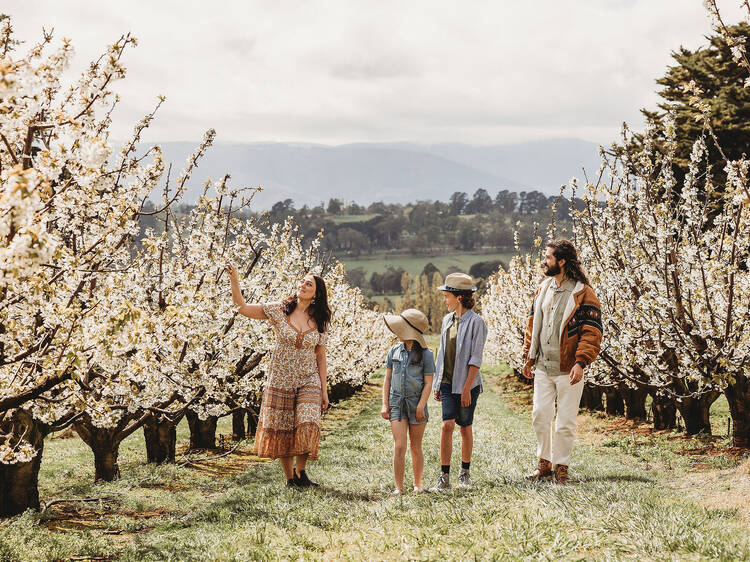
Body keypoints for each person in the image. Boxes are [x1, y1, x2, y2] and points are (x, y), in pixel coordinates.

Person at [226, 265, 331, 488]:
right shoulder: (279, 310)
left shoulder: (320, 321)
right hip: (281, 379)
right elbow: (242, 308)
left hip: (309, 378)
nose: (302, 285)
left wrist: (324, 388)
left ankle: (302, 472)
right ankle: (290, 479)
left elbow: (320, 355)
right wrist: (235, 280)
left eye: (308, 284)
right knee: (283, 427)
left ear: (317, 294)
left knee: (307, 421)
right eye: (302, 282)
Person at [521, 239, 603, 483]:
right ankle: (544, 462)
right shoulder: (543, 288)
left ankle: (561, 466)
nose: (544, 261)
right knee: (540, 414)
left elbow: (592, 330)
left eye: (548, 257)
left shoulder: (582, 292)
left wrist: (581, 362)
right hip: (543, 367)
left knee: (565, 421)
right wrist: (528, 355)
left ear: (562, 261)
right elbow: (531, 324)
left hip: (569, 369)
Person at [430, 272, 487, 491]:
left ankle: (465, 473)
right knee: (447, 425)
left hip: (467, 384)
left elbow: (475, 359)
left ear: (459, 297)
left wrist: (465, 389)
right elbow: (442, 353)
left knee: (465, 427)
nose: (445, 300)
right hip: (446, 381)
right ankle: (444, 477)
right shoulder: (447, 321)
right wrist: (437, 383)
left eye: (447, 296)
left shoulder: (477, 323)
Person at [381, 309, 435, 494]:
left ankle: (418, 484)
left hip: (416, 404)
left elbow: (428, 383)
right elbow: (387, 380)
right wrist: (385, 403)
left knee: (415, 446)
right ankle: (399, 487)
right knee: (400, 446)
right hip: (396, 403)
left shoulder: (426, 355)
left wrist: (421, 405)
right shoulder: (394, 352)